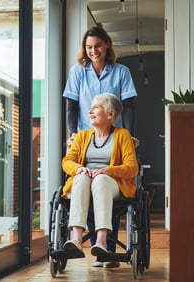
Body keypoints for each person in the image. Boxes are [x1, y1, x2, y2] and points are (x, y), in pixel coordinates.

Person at [62, 26, 139, 267]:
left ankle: (105, 246)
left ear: (107, 45)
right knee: (84, 180)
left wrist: (128, 135)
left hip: (112, 136)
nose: (93, 51)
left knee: (104, 182)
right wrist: (72, 134)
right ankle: (89, 242)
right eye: (88, 47)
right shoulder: (78, 72)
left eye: (97, 45)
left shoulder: (121, 72)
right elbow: (71, 105)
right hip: (87, 136)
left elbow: (128, 105)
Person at [61, 93, 139, 262]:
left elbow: (132, 168)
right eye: (90, 108)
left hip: (112, 184)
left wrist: (108, 171)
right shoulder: (82, 136)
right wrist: (79, 168)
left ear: (111, 114)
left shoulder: (123, 135)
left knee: (101, 180)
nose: (90, 111)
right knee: (80, 177)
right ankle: (76, 239)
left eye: (95, 107)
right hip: (84, 184)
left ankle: (102, 242)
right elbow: (67, 162)